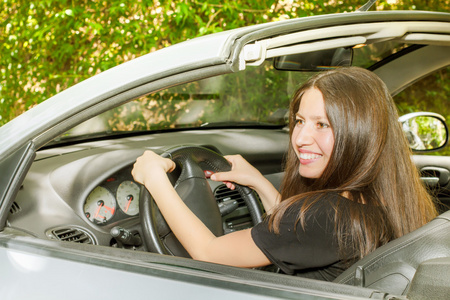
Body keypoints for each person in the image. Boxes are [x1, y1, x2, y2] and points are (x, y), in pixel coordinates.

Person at [132, 66, 437, 281]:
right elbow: (299, 235)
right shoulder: (385, 199)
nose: (301, 138)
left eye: (322, 124)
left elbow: (208, 252)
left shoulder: (327, 215)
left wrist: (155, 178)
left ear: (361, 134)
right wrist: (258, 182)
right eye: (300, 120)